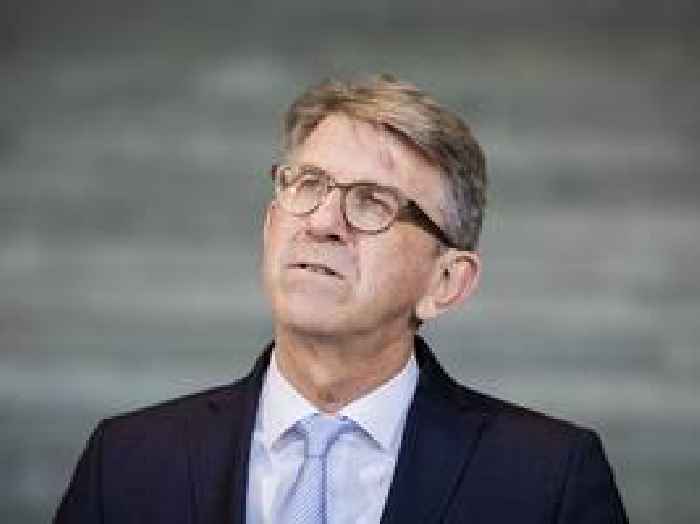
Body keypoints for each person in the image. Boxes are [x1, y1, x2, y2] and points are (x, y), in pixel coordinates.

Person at [54, 75, 628, 523]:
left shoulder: (548, 480)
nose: (323, 222)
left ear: (446, 282)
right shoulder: (126, 462)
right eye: (308, 186)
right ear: (270, 225)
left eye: (373, 202)